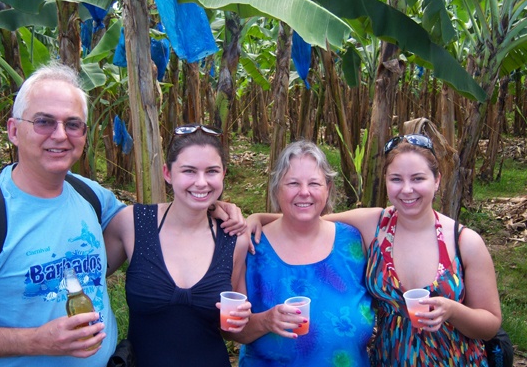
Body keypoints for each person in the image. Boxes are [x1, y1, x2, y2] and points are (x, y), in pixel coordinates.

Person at [0, 63, 246, 367]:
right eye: (44, 122)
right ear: (13, 130)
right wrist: (36, 340)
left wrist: (214, 205)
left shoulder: (92, 198)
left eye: (73, 124)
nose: (60, 135)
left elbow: (167, 221)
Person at [249, 134, 502, 365]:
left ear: (436, 180)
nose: (406, 189)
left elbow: (490, 324)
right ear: (386, 182)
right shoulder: (375, 225)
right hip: (388, 359)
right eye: (396, 179)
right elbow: (308, 215)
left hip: (452, 359)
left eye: (418, 178)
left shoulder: (463, 242)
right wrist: (257, 218)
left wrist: (452, 311)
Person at [104, 123, 251, 367]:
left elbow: (232, 330)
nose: (201, 182)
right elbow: (83, 277)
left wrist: (243, 321)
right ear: (167, 173)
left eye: (212, 171)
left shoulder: (234, 238)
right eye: (189, 171)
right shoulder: (131, 223)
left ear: (224, 174)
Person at [230, 140, 374, 366]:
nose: (304, 192)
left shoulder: (354, 242)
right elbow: (233, 330)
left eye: (314, 183)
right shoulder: (251, 246)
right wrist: (266, 321)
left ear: (328, 188)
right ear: (277, 188)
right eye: (293, 183)